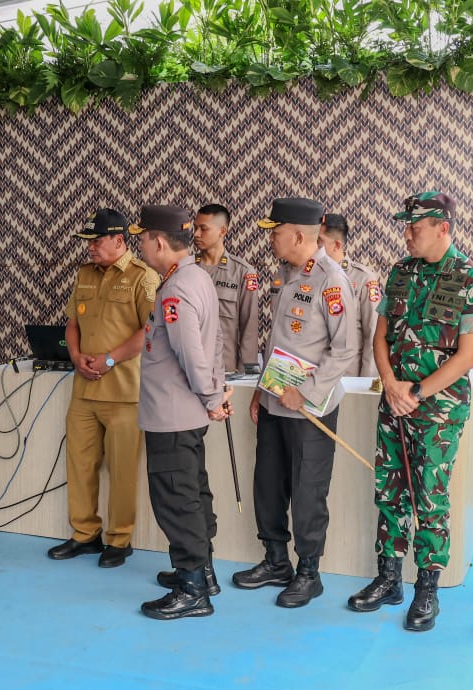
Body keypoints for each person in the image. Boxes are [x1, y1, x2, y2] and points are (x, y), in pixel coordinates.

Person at [347, 191, 473, 632]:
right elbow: (380, 337)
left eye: (416, 227)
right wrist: (391, 385)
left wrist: (418, 391)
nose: (407, 235)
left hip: (438, 411)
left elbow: (467, 355)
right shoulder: (400, 272)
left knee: (430, 495)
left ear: (443, 228)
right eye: (406, 227)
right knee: (389, 489)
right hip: (394, 402)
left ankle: (426, 587)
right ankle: (388, 577)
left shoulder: (471, 278)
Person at [232, 198, 359, 608]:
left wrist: (304, 391)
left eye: (276, 232)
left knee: (307, 489)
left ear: (299, 235)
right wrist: (261, 390)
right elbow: (279, 342)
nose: (271, 239)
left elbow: (344, 349)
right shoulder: (286, 274)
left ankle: (308, 572)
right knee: (267, 484)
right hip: (274, 401)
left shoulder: (330, 279)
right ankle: (275, 561)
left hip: (309, 408)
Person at [131, 204, 230, 620]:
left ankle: (192, 589)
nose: (139, 245)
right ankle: (201, 571)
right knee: (193, 491)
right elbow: (216, 340)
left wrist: (211, 396)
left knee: (176, 499)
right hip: (185, 412)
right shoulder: (197, 277)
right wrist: (218, 390)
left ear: (157, 241)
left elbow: (191, 352)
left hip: (172, 413)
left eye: (141, 238)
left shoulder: (175, 288)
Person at [47, 209, 159, 568]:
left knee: (122, 469)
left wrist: (110, 359)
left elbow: (150, 331)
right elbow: (73, 322)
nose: (91, 248)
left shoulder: (144, 277)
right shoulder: (84, 274)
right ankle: (85, 534)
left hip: (125, 393)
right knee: (80, 465)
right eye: (88, 242)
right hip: (84, 390)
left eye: (97, 241)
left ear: (118, 240)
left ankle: (119, 539)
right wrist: (76, 355)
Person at [192, 204, 260, 373]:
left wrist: (246, 375)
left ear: (222, 231)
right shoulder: (185, 269)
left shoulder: (243, 272)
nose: (196, 234)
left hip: (225, 370)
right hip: (188, 368)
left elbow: (249, 329)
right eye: (195, 228)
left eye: (203, 229)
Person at [318, 213, 383, 377]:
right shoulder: (310, 276)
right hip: (311, 376)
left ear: (337, 245)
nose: (314, 247)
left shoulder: (363, 279)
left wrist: (365, 383)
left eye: (319, 242)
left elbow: (373, 336)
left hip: (346, 378)